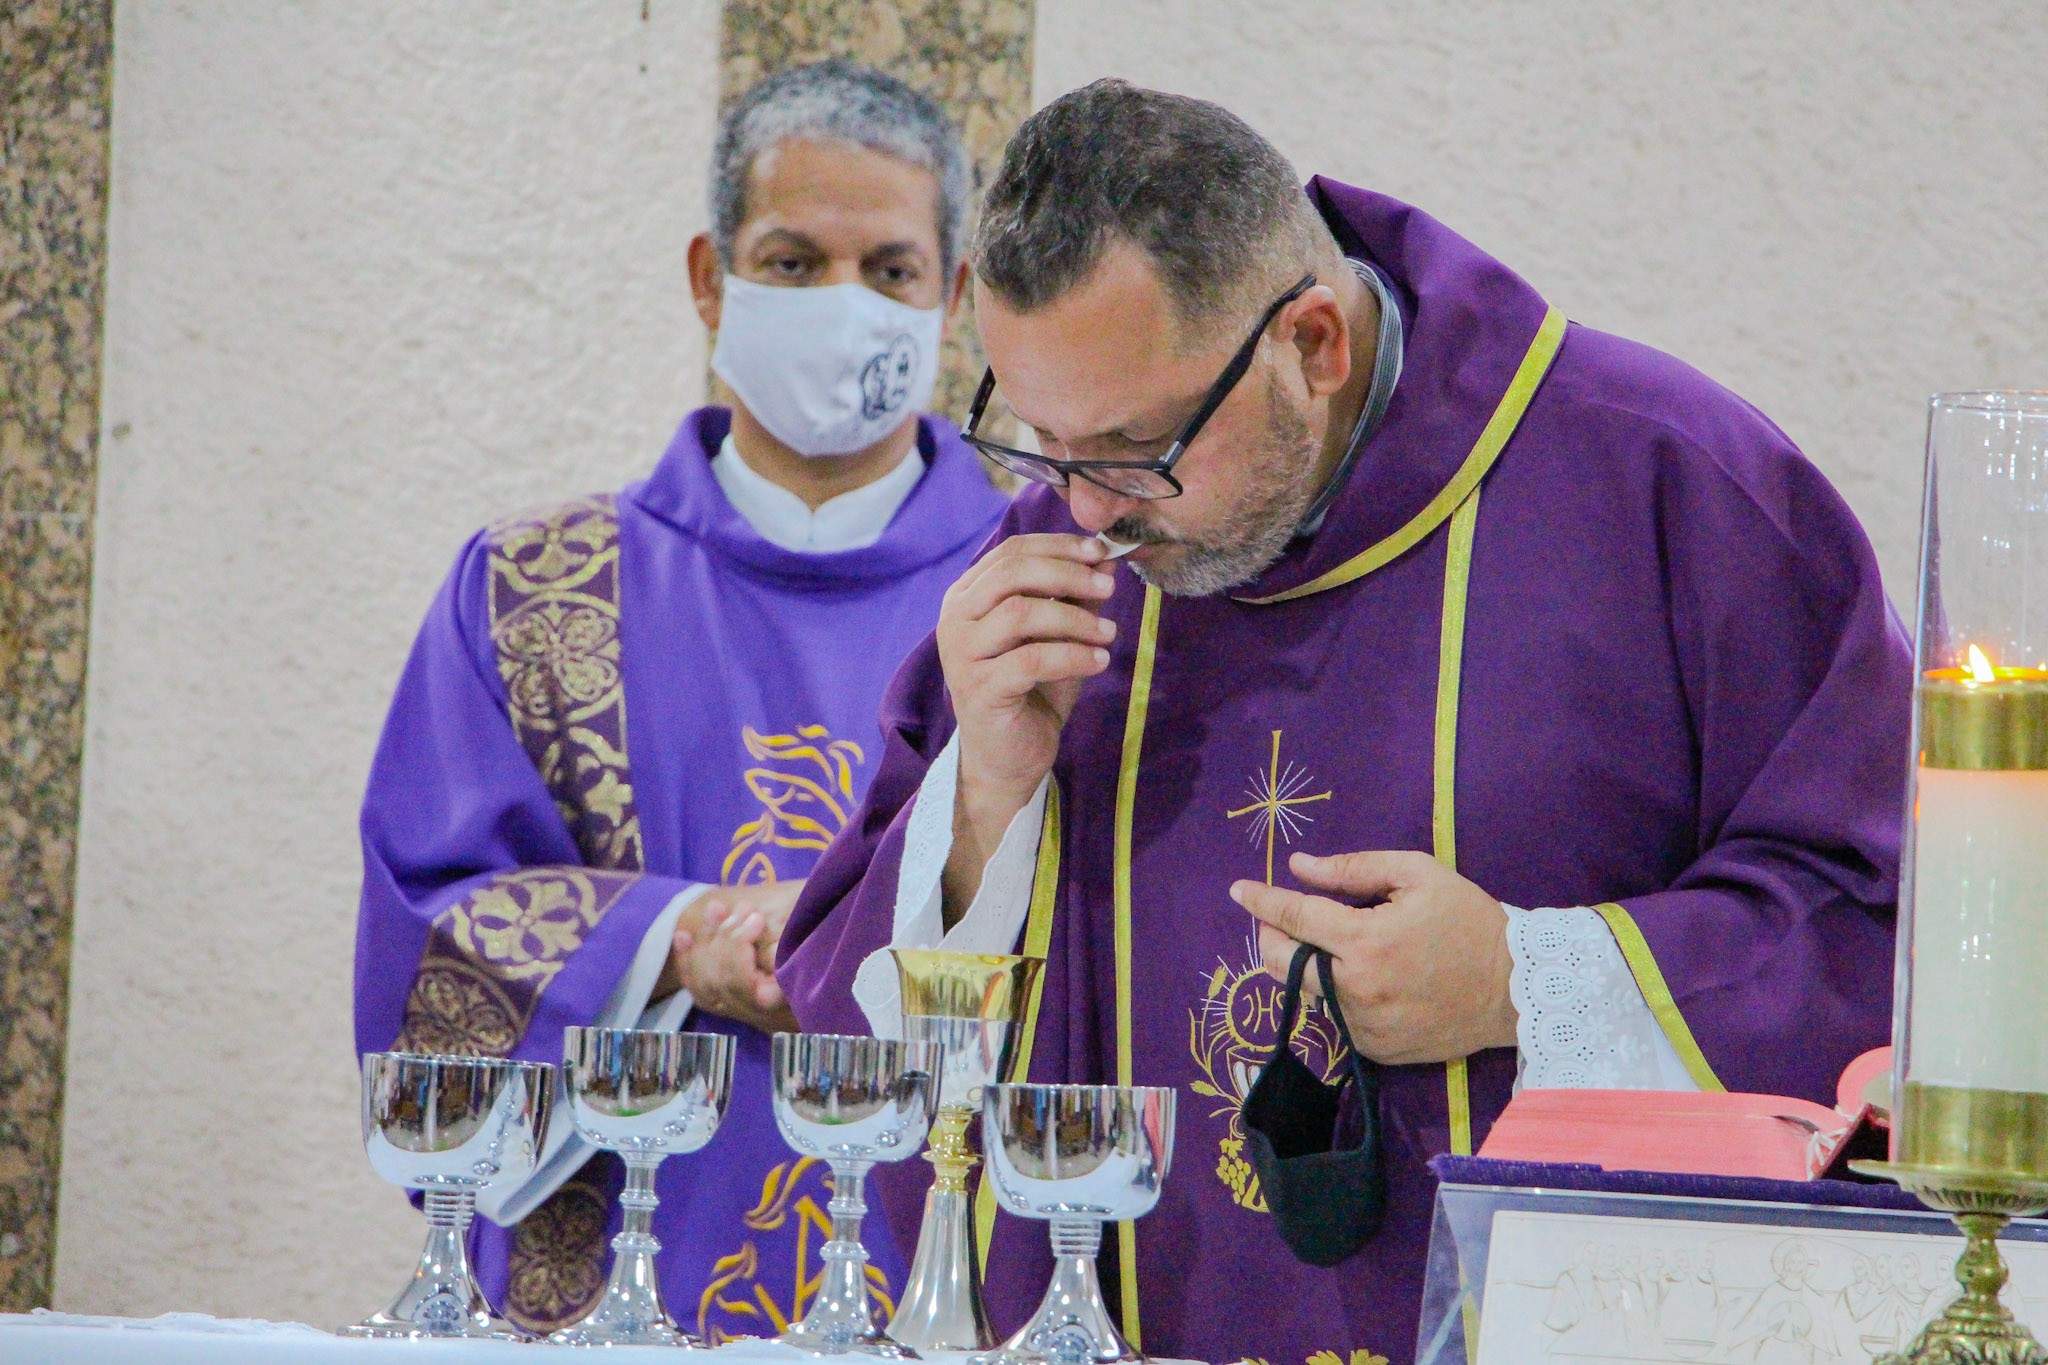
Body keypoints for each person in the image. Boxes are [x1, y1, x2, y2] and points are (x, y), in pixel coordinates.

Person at [780, 79, 1909, 1364]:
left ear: (1312, 343)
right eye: (1039, 438)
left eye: (1135, 446)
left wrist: (1527, 983)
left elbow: (1875, 924)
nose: (1085, 510)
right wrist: (988, 798)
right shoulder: (1058, 564)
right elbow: (850, 1034)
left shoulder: (1668, 484)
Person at [353, 59, 1008, 1341]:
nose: (842, 306)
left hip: (952, 1291)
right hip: (607, 1291)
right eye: (791, 262)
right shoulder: (534, 593)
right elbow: (422, 930)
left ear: (954, 297)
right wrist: (675, 939)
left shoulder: (1045, 594)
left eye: (889, 270)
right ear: (710, 279)